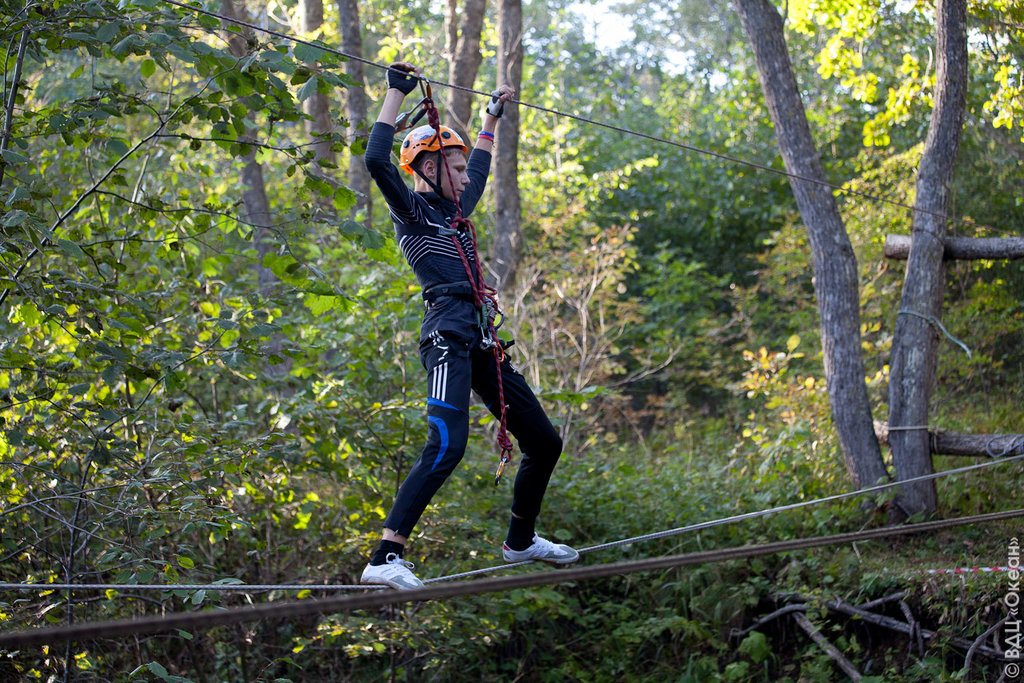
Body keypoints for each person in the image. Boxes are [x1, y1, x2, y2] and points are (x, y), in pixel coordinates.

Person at [360, 62, 578, 590]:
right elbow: (375, 160)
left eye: (461, 170)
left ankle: (519, 543)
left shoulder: (459, 210)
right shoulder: (414, 210)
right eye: (452, 170)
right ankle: (385, 557)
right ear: (428, 171)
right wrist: (395, 93)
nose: (463, 178)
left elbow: (480, 169)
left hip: (480, 337)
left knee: (545, 442)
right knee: (446, 443)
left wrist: (491, 120)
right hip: (445, 335)